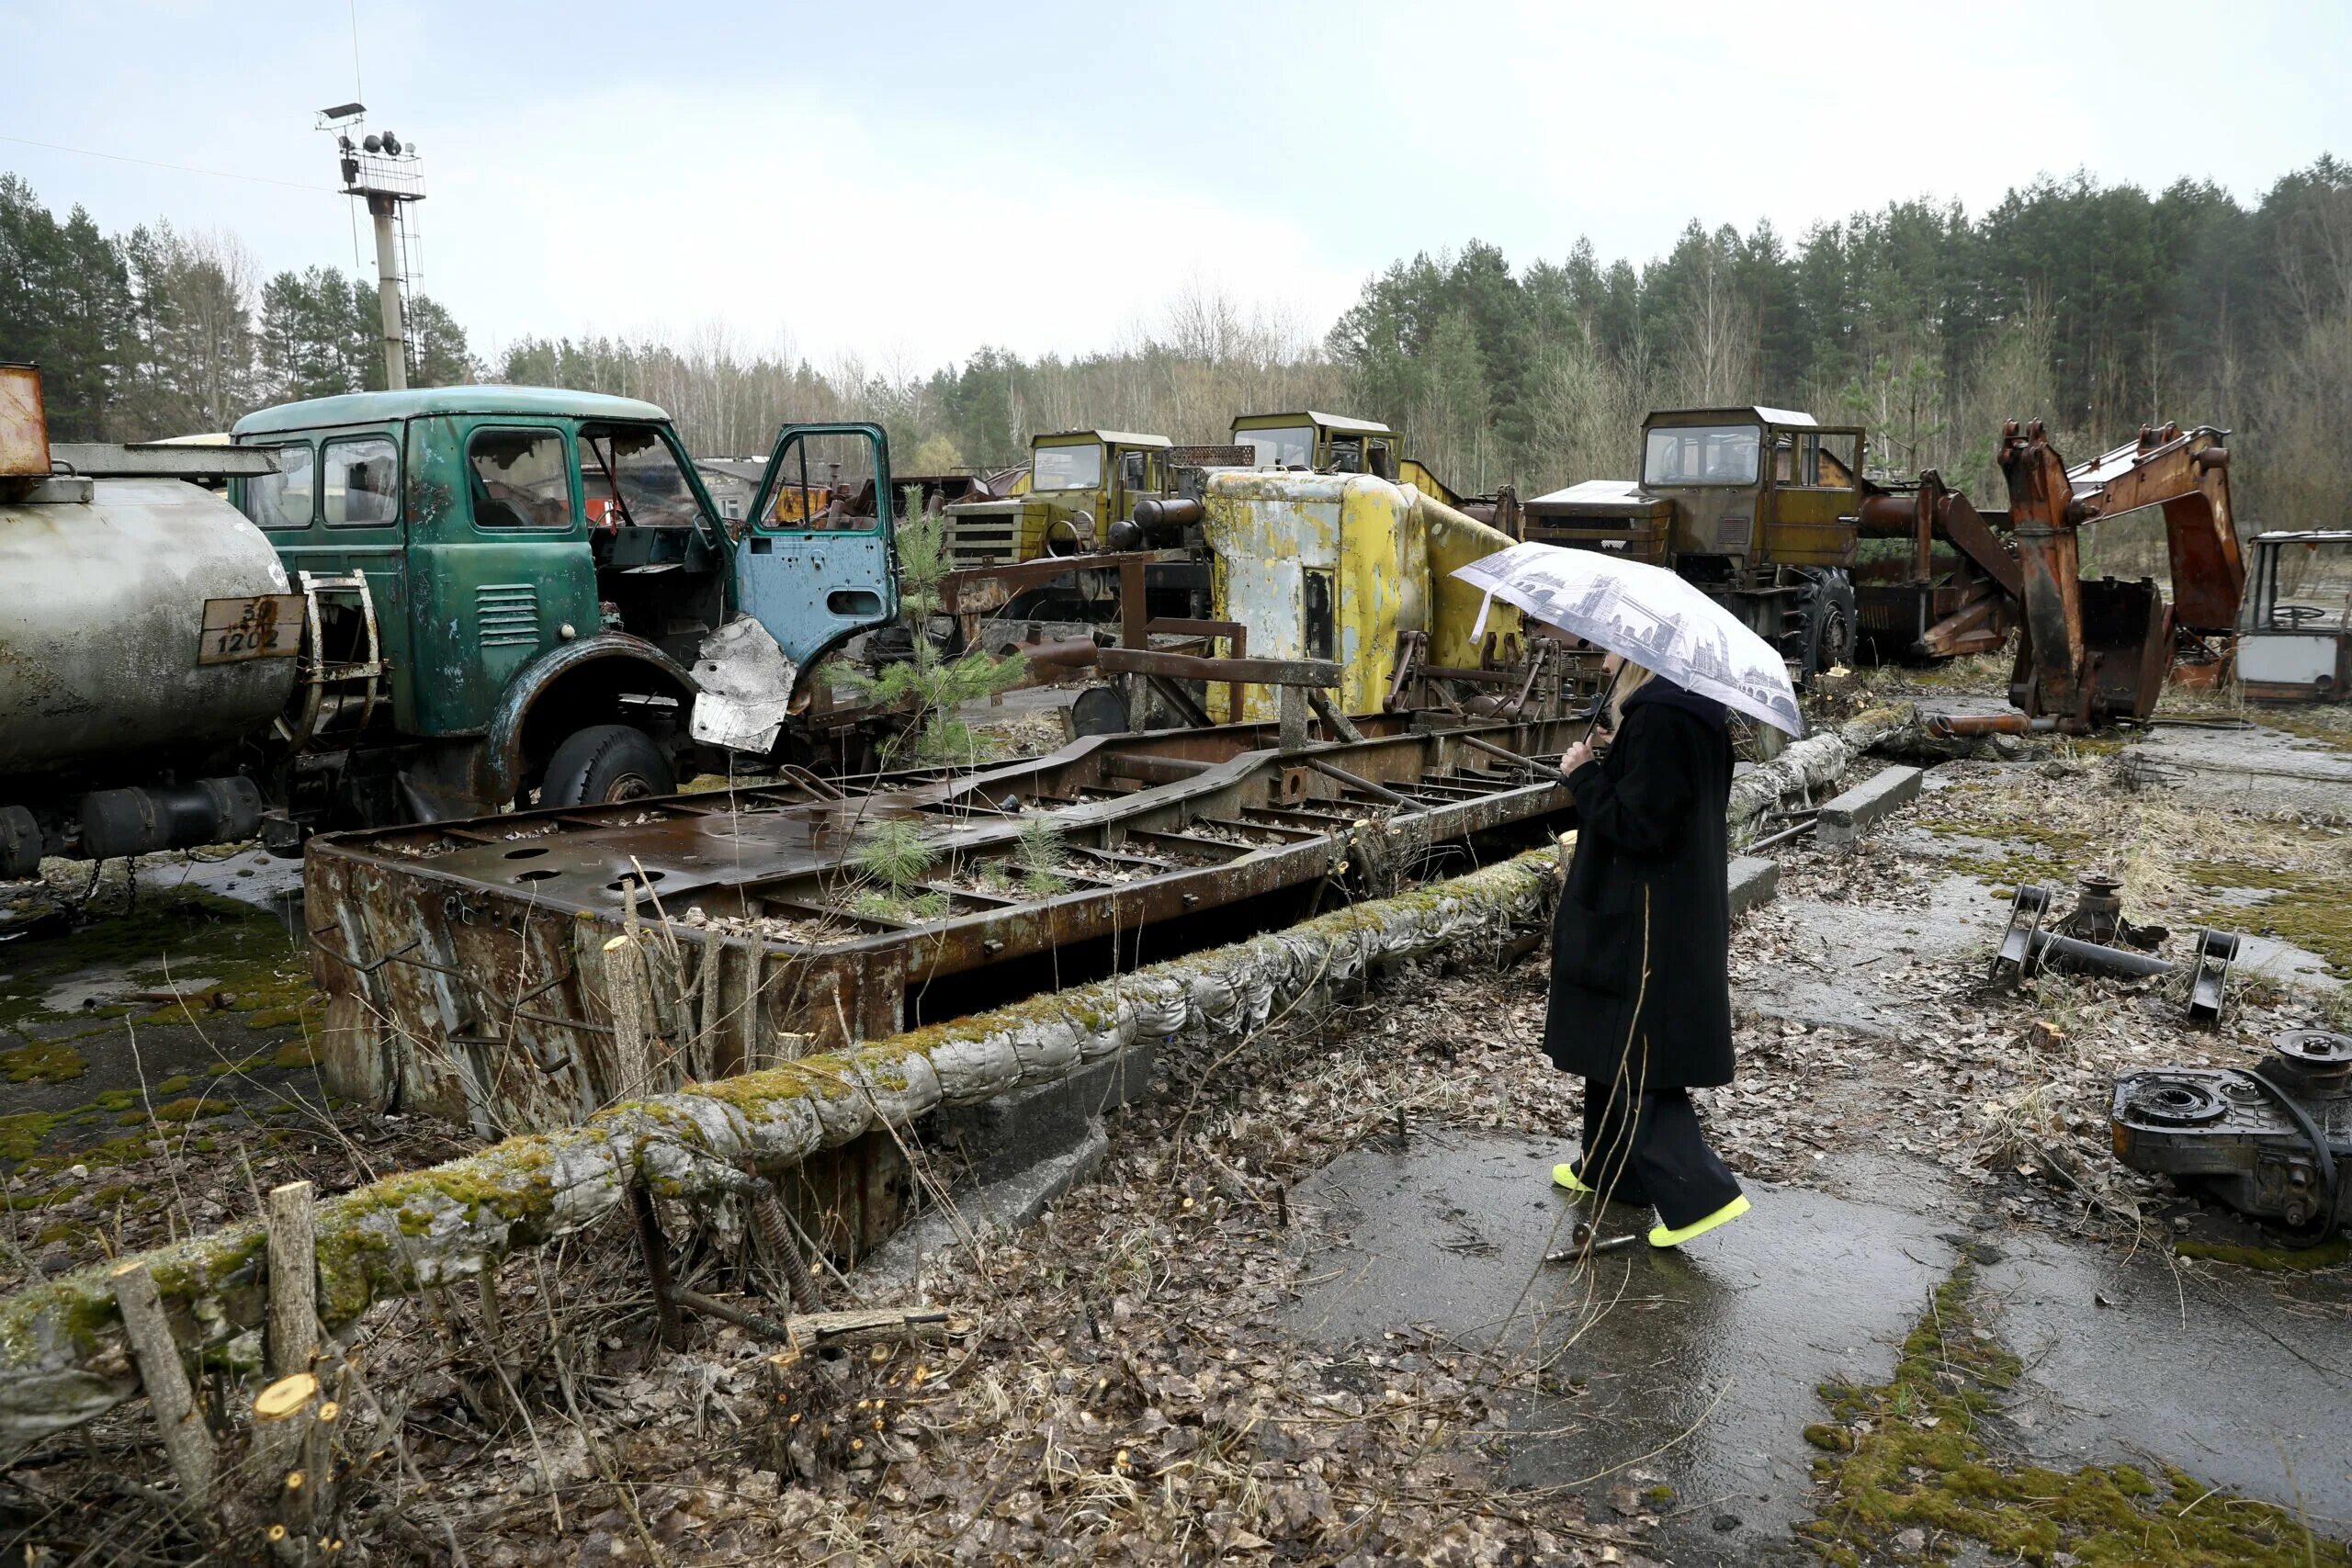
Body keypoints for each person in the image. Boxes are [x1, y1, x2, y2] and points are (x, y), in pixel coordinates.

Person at [1545, 651, 1747, 1247]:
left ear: (1641, 652)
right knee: (1612, 1041)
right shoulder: (1688, 711)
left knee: (1638, 1053)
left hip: (1646, 914)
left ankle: (1701, 1195)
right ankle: (1609, 1172)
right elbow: (1665, 803)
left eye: (1615, 644)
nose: (1605, 654)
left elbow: (1640, 826)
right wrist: (1616, 752)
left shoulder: (1660, 718)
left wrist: (1583, 773)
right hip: (1667, 907)